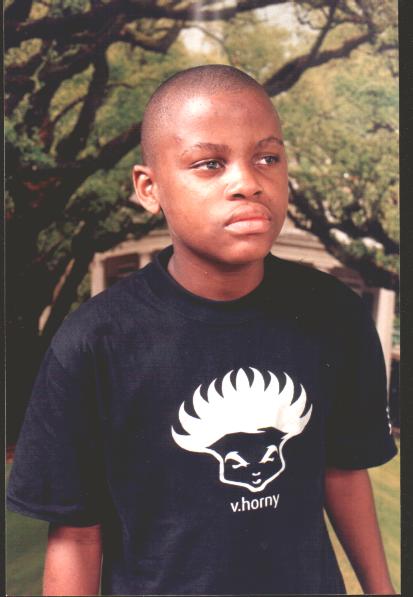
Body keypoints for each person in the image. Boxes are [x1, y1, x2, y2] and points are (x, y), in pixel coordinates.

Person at [7, 65, 397, 596]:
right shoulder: (94, 343)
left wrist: (381, 590)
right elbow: (76, 536)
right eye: (210, 163)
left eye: (267, 158)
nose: (248, 182)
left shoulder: (334, 314)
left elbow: (344, 473)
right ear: (149, 188)